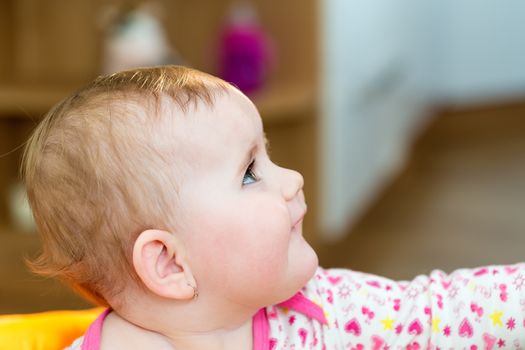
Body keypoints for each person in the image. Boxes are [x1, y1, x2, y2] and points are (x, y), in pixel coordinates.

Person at [22, 65, 525, 349]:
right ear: (171, 263)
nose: (293, 180)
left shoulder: (320, 312)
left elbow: (441, 316)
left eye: (268, 155)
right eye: (249, 173)